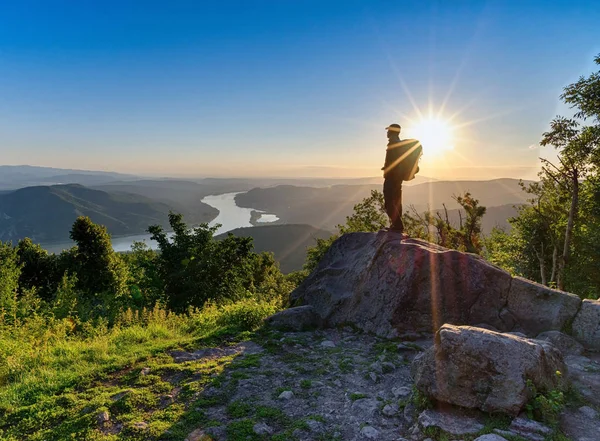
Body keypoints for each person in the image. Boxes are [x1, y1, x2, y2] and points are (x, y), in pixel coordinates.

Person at [381, 123, 422, 233]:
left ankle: (397, 225)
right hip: (397, 178)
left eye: (388, 131)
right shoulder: (399, 145)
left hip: (391, 178)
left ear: (392, 132)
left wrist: (389, 169)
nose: (387, 133)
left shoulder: (393, 144)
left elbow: (394, 162)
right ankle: (397, 226)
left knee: (389, 201)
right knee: (397, 201)